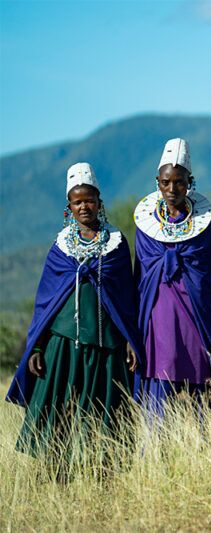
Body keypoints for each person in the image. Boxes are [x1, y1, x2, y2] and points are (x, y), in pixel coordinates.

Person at [6, 163, 142, 470]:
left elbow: (126, 299)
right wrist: (38, 347)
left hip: (106, 345)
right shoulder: (61, 247)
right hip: (64, 345)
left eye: (89, 200)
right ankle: (57, 473)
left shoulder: (116, 244)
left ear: (99, 202)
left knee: (104, 411)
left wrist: (130, 341)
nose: (85, 206)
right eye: (78, 202)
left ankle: (103, 473)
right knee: (59, 410)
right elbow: (46, 303)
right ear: (69, 207)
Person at [134, 138, 211, 417]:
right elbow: (142, 276)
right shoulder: (145, 227)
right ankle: (156, 452)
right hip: (158, 312)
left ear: (190, 182)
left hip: (196, 314)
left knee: (198, 373)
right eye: (166, 182)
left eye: (179, 182)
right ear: (157, 182)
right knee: (161, 371)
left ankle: (201, 449)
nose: (172, 189)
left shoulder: (205, 225)